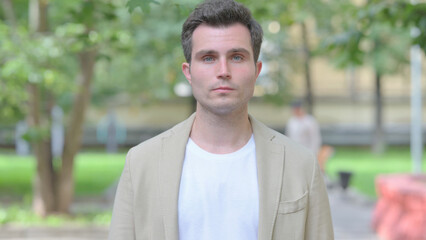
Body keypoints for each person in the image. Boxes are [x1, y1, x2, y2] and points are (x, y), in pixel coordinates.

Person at [108, 0, 334, 239]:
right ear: (189, 72)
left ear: (256, 71)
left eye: (236, 57)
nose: (223, 70)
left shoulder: (300, 165)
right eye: (208, 58)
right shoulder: (142, 162)